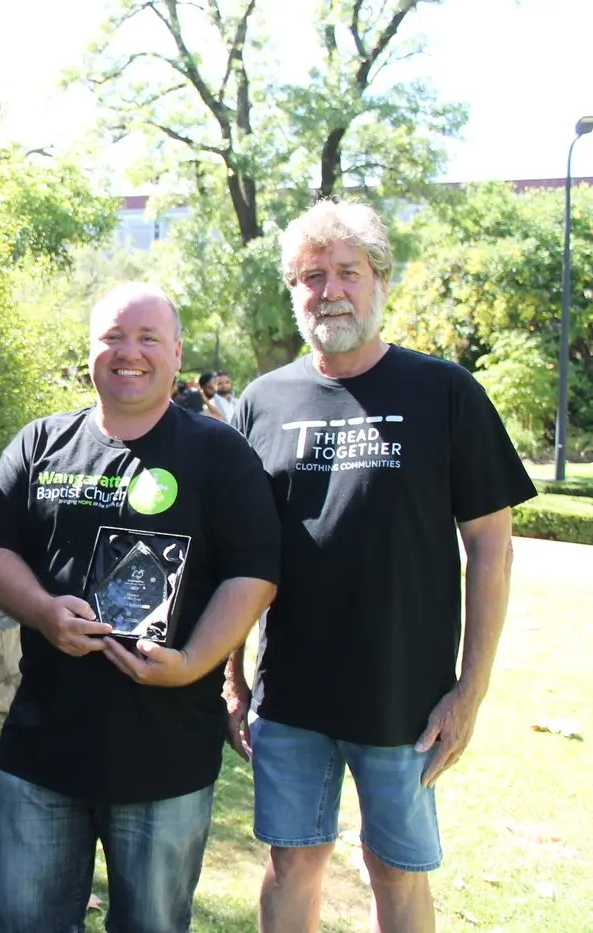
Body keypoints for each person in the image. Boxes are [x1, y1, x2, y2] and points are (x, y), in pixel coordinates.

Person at [226, 200, 536, 933]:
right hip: (290, 693)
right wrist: (232, 679)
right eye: (311, 276)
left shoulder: (445, 393)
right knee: (291, 861)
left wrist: (468, 691)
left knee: (395, 868)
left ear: (380, 281)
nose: (329, 290)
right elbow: (235, 555)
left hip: (406, 697)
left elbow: (491, 549)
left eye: (347, 272)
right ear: (293, 291)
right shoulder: (262, 403)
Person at [0, 282, 281, 933]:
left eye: (147, 338)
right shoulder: (40, 443)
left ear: (176, 354)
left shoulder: (218, 453)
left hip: (166, 755)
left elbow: (254, 572)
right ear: (90, 349)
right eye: (113, 336)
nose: (129, 352)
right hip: (42, 751)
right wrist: (42, 610)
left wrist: (193, 661)